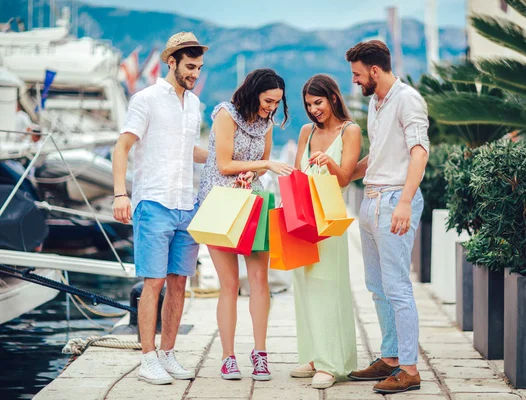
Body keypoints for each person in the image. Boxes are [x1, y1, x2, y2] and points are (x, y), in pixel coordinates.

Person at [112, 31, 209, 385]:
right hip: (153, 202)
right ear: (171, 62)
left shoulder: (195, 105)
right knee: (153, 282)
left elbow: (191, 152)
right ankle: (147, 358)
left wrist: (228, 159)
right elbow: (122, 147)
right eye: (189, 67)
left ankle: (168, 353)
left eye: (198, 67)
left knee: (180, 282)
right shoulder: (146, 99)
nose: (195, 73)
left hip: (187, 203)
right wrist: (120, 194)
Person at [196, 68, 294, 381]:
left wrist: (252, 174)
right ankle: (228, 356)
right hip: (219, 205)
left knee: (259, 281)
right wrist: (263, 164)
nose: (272, 108)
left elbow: (257, 167)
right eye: (268, 101)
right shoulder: (226, 114)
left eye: (277, 103)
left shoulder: (266, 123)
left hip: (251, 204)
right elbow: (223, 163)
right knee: (229, 285)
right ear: (254, 93)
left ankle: (261, 354)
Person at [345, 40, 430, 394]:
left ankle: (409, 369)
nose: (355, 81)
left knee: (397, 287)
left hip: (396, 199)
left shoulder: (407, 99)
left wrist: (406, 203)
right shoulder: (376, 103)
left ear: (374, 71)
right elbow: (377, 157)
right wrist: (343, 175)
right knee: (377, 286)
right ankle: (391, 358)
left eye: (357, 74)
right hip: (372, 198)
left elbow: (419, 152)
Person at [288, 74, 361, 389]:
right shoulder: (306, 131)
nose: (313, 109)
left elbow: (345, 178)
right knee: (304, 287)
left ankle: (332, 364)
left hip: (330, 218)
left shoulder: (350, 130)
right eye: (308, 104)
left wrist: (329, 162)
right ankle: (315, 355)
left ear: (333, 97)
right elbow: (296, 173)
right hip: (302, 215)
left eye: (318, 102)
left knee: (328, 288)